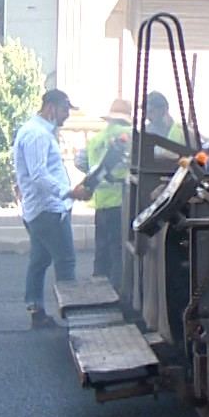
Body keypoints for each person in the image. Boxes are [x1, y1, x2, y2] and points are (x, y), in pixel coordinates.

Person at [14, 89, 91, 328]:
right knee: (65, 261)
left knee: (40, 259)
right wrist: (67, 192)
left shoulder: (35, 131)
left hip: (40, 210)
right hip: (49, 210)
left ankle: (35, 308)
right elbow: (38, 175)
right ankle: (72, 315)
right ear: (50, 107)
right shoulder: (38, 135)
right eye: (65, 109)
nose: (67, 115)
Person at [85, 99, 132, 283]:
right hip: (120, 202)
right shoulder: (128, 135)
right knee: (118, 252)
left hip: (100, 202)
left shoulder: (96, 139)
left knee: (102, 250)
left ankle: (98, 289)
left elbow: (86, 165)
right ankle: (117, 293)